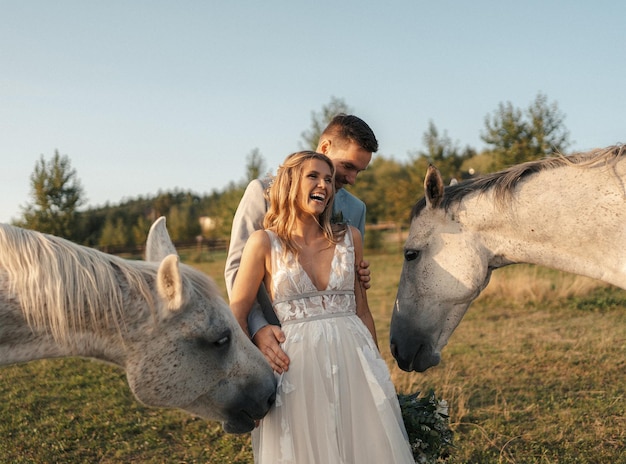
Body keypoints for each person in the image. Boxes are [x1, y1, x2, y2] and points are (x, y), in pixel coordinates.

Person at [229, 151, 413, 463]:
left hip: (353, 361)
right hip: (295, 369)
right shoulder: (263, 243)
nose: (324, 185)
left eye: (328, 179)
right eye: (313, 176)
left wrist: (378, 370)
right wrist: (247, 381)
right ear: (289, 184)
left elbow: (363, 310)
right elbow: (237, 313)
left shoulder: (350, 238)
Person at [225, 114, 378, 373]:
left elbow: (353, 290)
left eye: (359, 172)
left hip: (340, 350)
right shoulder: (261, 193)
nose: (352, 179)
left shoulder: (356, 209)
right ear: (326, 147)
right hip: (279, 346)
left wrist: (358, 275)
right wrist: (258, 329)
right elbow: (237, 270)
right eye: (348, 166)